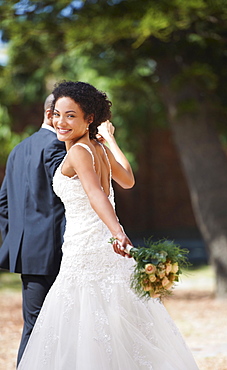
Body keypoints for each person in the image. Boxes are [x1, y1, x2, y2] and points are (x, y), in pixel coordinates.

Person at [18, 81, 199, 369]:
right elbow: (127, 179)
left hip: (88, 249)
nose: (60, 122)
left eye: (70, 115)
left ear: (89, 118)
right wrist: (110, 140)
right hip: (104, 246)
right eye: (56, 114)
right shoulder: (97, 148)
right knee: (116, 318)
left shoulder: (78, 152)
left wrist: (118, 233)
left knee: (85, 322)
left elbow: (95, 194)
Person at [0, 95, 66, 366]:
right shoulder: (57, 148)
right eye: (65, 114)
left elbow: (3, 203)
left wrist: (17, 241)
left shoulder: (18, 149)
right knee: (57, 325)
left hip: (28, 254)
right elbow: (66, 201)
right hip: (54, 252)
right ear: (52, 113)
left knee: (33, 325)